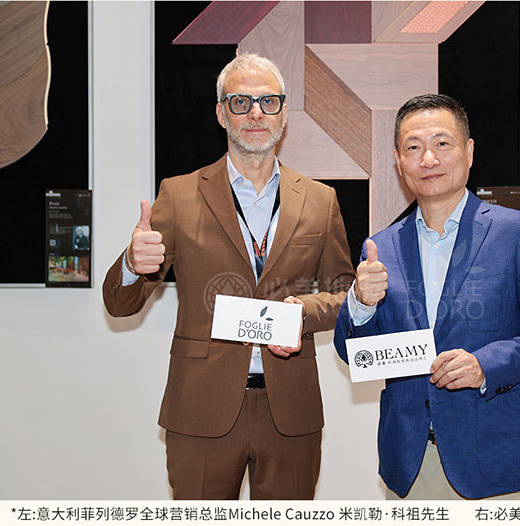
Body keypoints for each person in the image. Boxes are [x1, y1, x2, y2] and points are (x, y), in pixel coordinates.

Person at [103, 53, 354, 500]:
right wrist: (131, 263)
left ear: (283, 114)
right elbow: (120, 305)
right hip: (201, 408)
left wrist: (303, 312)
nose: (256, 113)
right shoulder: (178, 194)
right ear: (222, 113)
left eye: (268, 102)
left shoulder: (320, 200)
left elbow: (344, 295)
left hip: (290, 410)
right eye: (241, 102)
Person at [333, 94, 520, 500]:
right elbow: (354, 355)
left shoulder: (516, 232)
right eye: (414, 147)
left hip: (496, 455)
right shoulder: (381, 247)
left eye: (442, 143)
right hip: (412, 459)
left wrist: (485, 365)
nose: (428, 159)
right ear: (398, 161)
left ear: (468, 152)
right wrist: (360, 304)